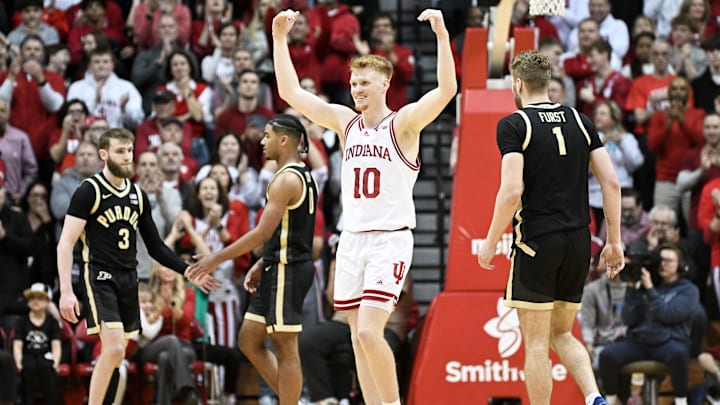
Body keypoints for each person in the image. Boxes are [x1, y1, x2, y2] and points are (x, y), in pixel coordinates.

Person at [256, 8, 455, 405]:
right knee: (355, 338)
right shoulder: (346, 122)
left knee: (368, 333)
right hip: (351, 240)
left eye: (364, 81)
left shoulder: (403, 125)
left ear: (385, 83)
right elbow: (291, 94)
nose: (356, 87)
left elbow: (446, 91)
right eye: (352, 81)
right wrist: (279, 40)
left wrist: (442, 37)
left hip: (389, 239)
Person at [476, 50, 624, 405]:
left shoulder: (514, 124)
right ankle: (594, 398)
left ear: (518, 84)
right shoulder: (580, 119)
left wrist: (490, 241)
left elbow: (512, 191)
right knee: (563, 333)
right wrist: (614, 242)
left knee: (538, 343)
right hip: (578, 241)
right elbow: (612, 183)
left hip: (538, 242)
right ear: (548, 83)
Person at [56, 128, 218, 405]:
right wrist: (67, 292)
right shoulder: (89, 191)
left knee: (116, 353)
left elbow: (156, 246)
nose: (127, 156)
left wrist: (187, 270)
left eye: (130, 150)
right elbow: (65, 243)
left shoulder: (137, 195)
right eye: (120, 151)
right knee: (116, 348)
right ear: (103, 155)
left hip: (129, 279)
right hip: (99, 276)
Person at [186, 114, 318, 404]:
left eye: (268, 135)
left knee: (285, 345)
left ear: (284, 140)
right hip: (277, 264)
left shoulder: (286, 179)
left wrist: (214, 259)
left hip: (289, 269)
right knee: (248, 339)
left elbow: (261, 232)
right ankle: (289, 399)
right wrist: (261, 262)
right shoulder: (299, 175)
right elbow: (288, 230)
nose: (262, 141)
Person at [598, 245, 700, 405]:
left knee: (679, 354)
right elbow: (629, 319)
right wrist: (632, 289)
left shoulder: (689, 290)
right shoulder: (647, 285)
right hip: (640, 341)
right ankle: (610, 400)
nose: (663, 264)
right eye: (661, 260)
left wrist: (650, 289)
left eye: (668, 261)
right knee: (607, 355)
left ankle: (681, 401)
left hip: (670, 341)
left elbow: (668, 315)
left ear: (680, 265)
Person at [13, 283, 61, 405]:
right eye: (32, 298)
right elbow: (17, 345)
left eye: (40, 298)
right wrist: (18, 363)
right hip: (28, 356)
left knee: (46, 367)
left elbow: (56, 345)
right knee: (28, 367)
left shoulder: (53, 322)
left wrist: (55, 362)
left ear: (47, 302)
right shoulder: (21, 321)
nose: (35, 301)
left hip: (45, 355)